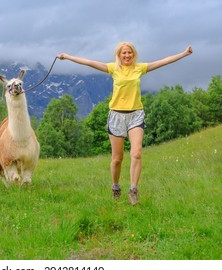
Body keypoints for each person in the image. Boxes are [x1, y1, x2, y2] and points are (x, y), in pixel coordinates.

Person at [57, 42, 193, 205]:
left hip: (136, 115)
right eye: (124, 53)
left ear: (133, 54)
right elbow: (89, 62)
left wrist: (184, 53)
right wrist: (67, 57)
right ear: (119, 55)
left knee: (136, 153)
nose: (127, 56)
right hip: (116, 116)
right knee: (117, 159)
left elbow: (164, 61)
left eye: (129, 53)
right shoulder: (113, 68)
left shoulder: (140, 68)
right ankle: (115, 187)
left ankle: (133, 190)